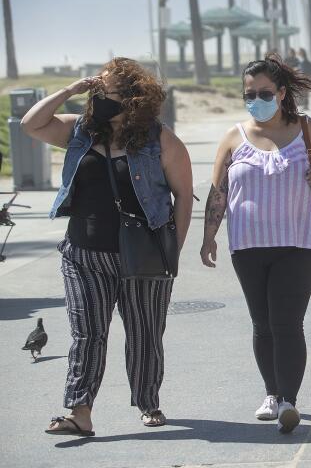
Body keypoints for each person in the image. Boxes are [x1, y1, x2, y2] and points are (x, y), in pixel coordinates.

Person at [21, 58, 193, 436]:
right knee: (87, 332)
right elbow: (30, 124)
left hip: (142, 256)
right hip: (83, 254)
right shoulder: (80, 131)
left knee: (145, 331)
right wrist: (70, 90)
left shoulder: (159, 139)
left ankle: (148, 401)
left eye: (108, 91)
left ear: (133, 97)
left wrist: (173, 251)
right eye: (96, 91)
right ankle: (79, 411)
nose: (99, 97)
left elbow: (183, 196)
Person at [200, 53, 311, 434]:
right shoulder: (234, 137)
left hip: (298, 243)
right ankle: (272, 393)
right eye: (249, 93)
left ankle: (289, 401)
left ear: (280, 93)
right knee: (262, 324)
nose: (255, 99)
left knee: (288, 322)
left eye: (263, 92)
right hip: (247, 245)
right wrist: (209, 237)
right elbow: (218, 191)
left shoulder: (306, 129)